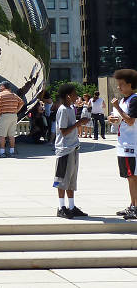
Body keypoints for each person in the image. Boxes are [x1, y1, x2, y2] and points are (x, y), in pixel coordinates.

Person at [53, 83, 89, 219]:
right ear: (68, 96)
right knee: (62, 179)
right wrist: (79, 123)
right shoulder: (63, 110)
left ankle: (72, 206)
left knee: (71, 180)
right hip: (64, 149)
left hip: (73, 148)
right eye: (74, 94)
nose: (76, 96)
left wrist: (79, 122)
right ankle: (61, 207)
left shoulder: (70, 108)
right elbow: (63, 131)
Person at [108, 68, 137, 219]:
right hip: (124, 144)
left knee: (133, 177)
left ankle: (135, 207)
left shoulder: (134, 99)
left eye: (121, 84)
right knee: (130, 176)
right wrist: (113, 118)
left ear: (130, 85)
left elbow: (131, 120)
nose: (118, 87)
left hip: (132, 145)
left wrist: (118, 108)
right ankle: (132, 205)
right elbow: (122, 120)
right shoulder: (123, 100)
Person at [0, 81, 24, 157]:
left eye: (0, 86)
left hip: (4, 116)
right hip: (13, 116)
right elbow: (22, 102)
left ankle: (2, 152)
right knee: (11, 135)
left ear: (4, 86)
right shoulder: (14, 95)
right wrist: (16, 110)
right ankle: (12, 152)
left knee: (2, 135)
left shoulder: (1, 94)